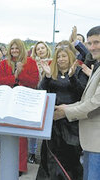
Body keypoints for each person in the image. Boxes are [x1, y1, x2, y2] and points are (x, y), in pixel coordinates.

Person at [36, 43, 88, 180]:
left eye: (64, 56)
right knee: (50, 156)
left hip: (70, 122)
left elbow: (82, 94)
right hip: (53, 121)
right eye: (58, 57)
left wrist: (72, 77)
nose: (61, 59)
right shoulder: (52, 73)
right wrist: (46, 77)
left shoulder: (78, 72)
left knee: (70, 157)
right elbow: (41, 92)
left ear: (70, 57)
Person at [55, 26, 100, 180]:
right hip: (90, 142)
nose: (92, 47)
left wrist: (66, 112)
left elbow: (96, 104)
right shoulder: (98, 67)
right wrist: (67, 107)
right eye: (90, 43)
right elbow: (87, 100)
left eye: (97, 42)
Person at [0, 38, 39, 176]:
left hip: (23, 101)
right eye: (12, 48)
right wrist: (14, 75)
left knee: (21, 136)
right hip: (7, 101)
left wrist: (21, 73)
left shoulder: (31, 62)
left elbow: (34, 82)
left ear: (21, 49)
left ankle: (21, 166)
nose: (14, 51)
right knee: (8, 134)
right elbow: (0, 81)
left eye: (17, 48)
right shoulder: (4, 63)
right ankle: (8, 163)